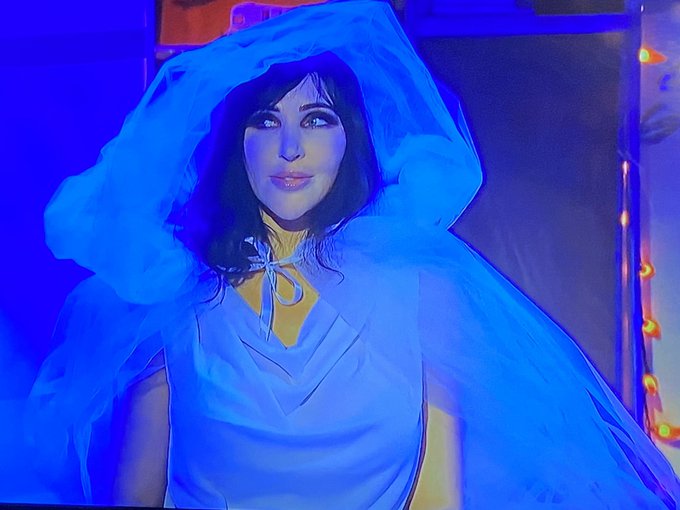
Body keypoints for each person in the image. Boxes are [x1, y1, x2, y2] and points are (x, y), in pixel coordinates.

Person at [23, 1, 680, 509]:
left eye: (316, 119)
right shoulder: (174, 294)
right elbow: (136, 495)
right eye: (265, 121)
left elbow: (438, 497)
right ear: (235, 141)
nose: (289, 149)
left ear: (351, 138)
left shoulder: (421, 287)